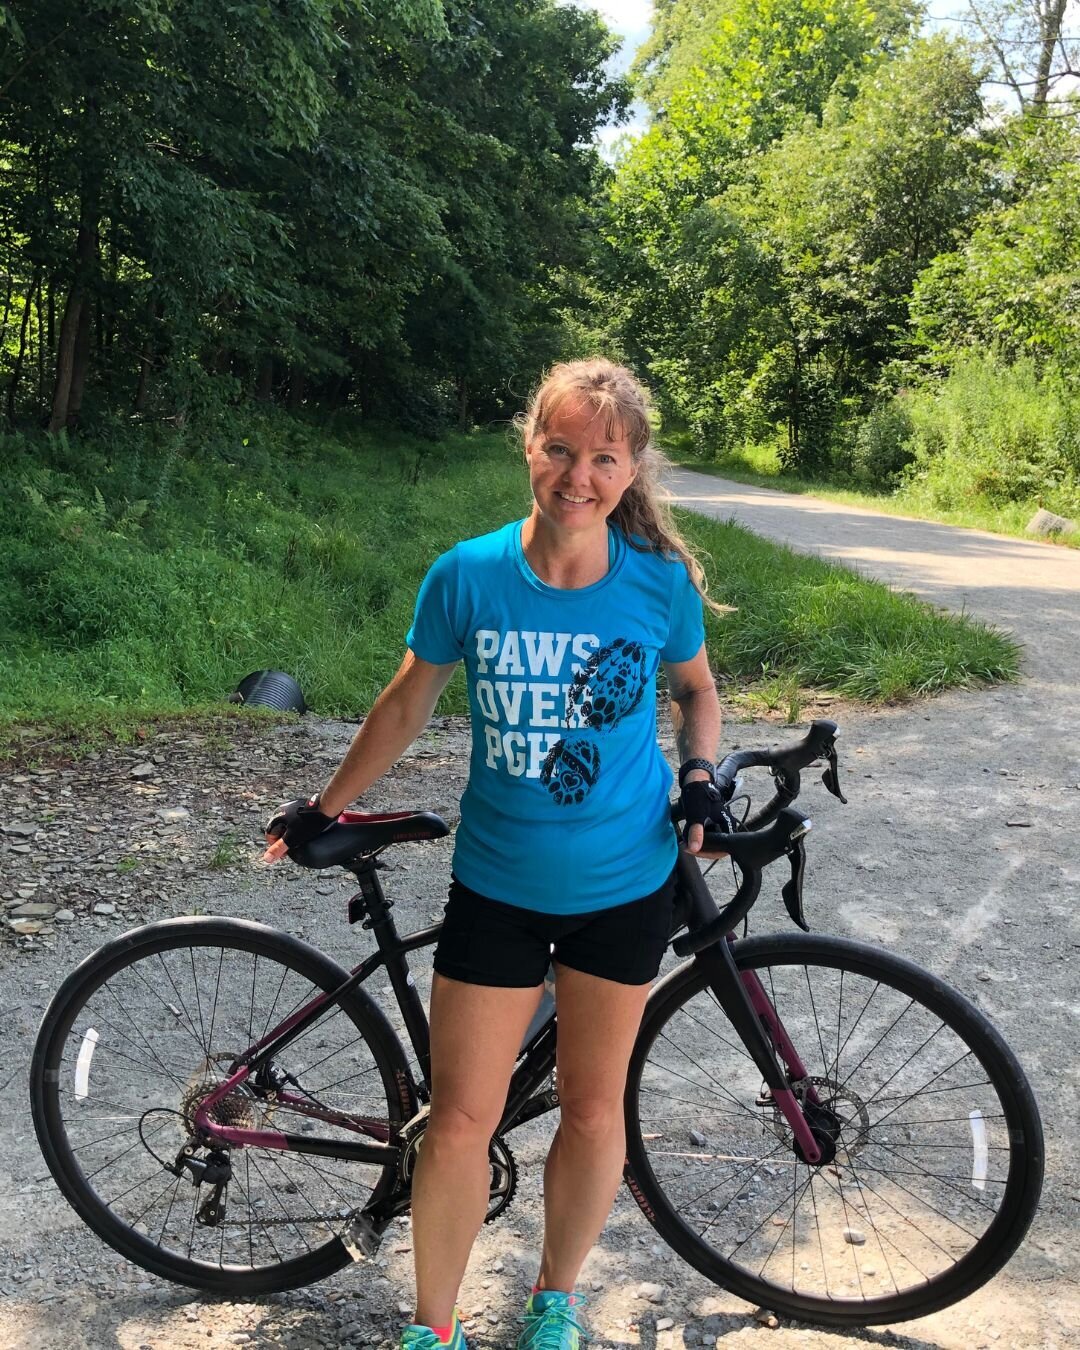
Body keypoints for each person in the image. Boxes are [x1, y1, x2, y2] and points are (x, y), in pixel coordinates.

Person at [266, 358, 724, 1350]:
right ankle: (433, 1330)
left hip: (625, 884)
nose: (578, 476)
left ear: (631, 465)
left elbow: (699, 690)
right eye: (559, 449)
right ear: (528, 445)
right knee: (462, 1121)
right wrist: (324, 805)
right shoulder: (468, 575)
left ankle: (554, 1300)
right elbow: (405, 703)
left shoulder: (658, 585)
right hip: (500, 887)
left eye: (603, 457)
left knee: (595, 1114)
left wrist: (699, 777)